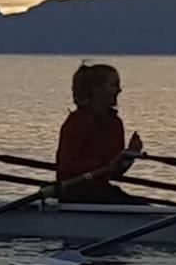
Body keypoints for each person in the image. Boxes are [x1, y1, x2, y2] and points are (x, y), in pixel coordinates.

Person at [54, 62, 148, 204]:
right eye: (114, 85)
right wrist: (104, 165)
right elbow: (66, 167)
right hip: (74, 193)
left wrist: (130, 157)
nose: (119, 90)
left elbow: (114, 172)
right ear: (96, 89)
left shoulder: (115, 123)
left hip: (101, 192)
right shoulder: (77, 123)